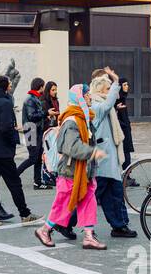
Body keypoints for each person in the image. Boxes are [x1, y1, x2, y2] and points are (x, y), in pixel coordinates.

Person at [34, 101, 107, 250]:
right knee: (64, 205)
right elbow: (72, 147)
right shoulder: (72, 120)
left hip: (84, 171)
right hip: (70, 171)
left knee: (88, 202)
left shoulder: (85, 117)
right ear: (79, 98)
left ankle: (88, 236)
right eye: (86, 95)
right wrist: (92, 152)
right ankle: (44, 230)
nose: (89, 98)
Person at [0, 75, 39, 227]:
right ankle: (25, 214)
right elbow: (5, 127)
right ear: (5, 86)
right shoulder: (4, 103)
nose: (11, 85)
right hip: (2, 151)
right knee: (14, 183)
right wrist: (13, 138)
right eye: (10, 84)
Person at [85, 70, 136, 239]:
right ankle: (65, 222)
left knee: (111, 194)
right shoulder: (96, 106)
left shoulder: (99, 104)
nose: (110, 93)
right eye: (107, 89)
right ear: (100, 90)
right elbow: (108, 105)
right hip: (102, 158)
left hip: (108, 157)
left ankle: (119, 225)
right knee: (94, 195)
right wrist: (115, 81)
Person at [18, 76, 49, 189]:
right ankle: (15, 175)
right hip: (31, 131)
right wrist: (46, 113)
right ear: (40, 87)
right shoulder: (31, 99)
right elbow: (32, 116)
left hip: (35, 131)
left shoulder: (34, 98)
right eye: (44, 86)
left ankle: (38, 182)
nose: (44, 88)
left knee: (38, 157)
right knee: (33, 158)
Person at [116, 80, 137, 183]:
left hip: (125, 128)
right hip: (122, 130)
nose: (127, 86)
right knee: (125, 152)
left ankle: (127, 175)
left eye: (127, 84)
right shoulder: (118, 98)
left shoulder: (123, 97)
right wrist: (123, 125)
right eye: (124, 85)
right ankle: (126, 176)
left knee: (126, 151)